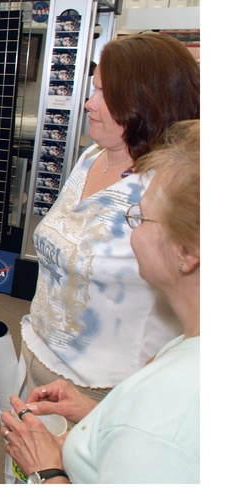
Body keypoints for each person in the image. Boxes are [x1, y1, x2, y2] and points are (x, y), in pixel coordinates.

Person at [1, 120, 199, 483]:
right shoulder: (181, 351)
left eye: (141, 219)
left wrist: (47, 471)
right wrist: (96, 414)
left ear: (187, 252)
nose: (131, 232)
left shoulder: (175, 398)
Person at [20, 33, 199, 401]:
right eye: (93, 89)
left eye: (104, 93)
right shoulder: (92, 157)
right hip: (36, 355)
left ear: (146, 100)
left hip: (104, 390)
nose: (89, 103)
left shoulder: (172, 188)